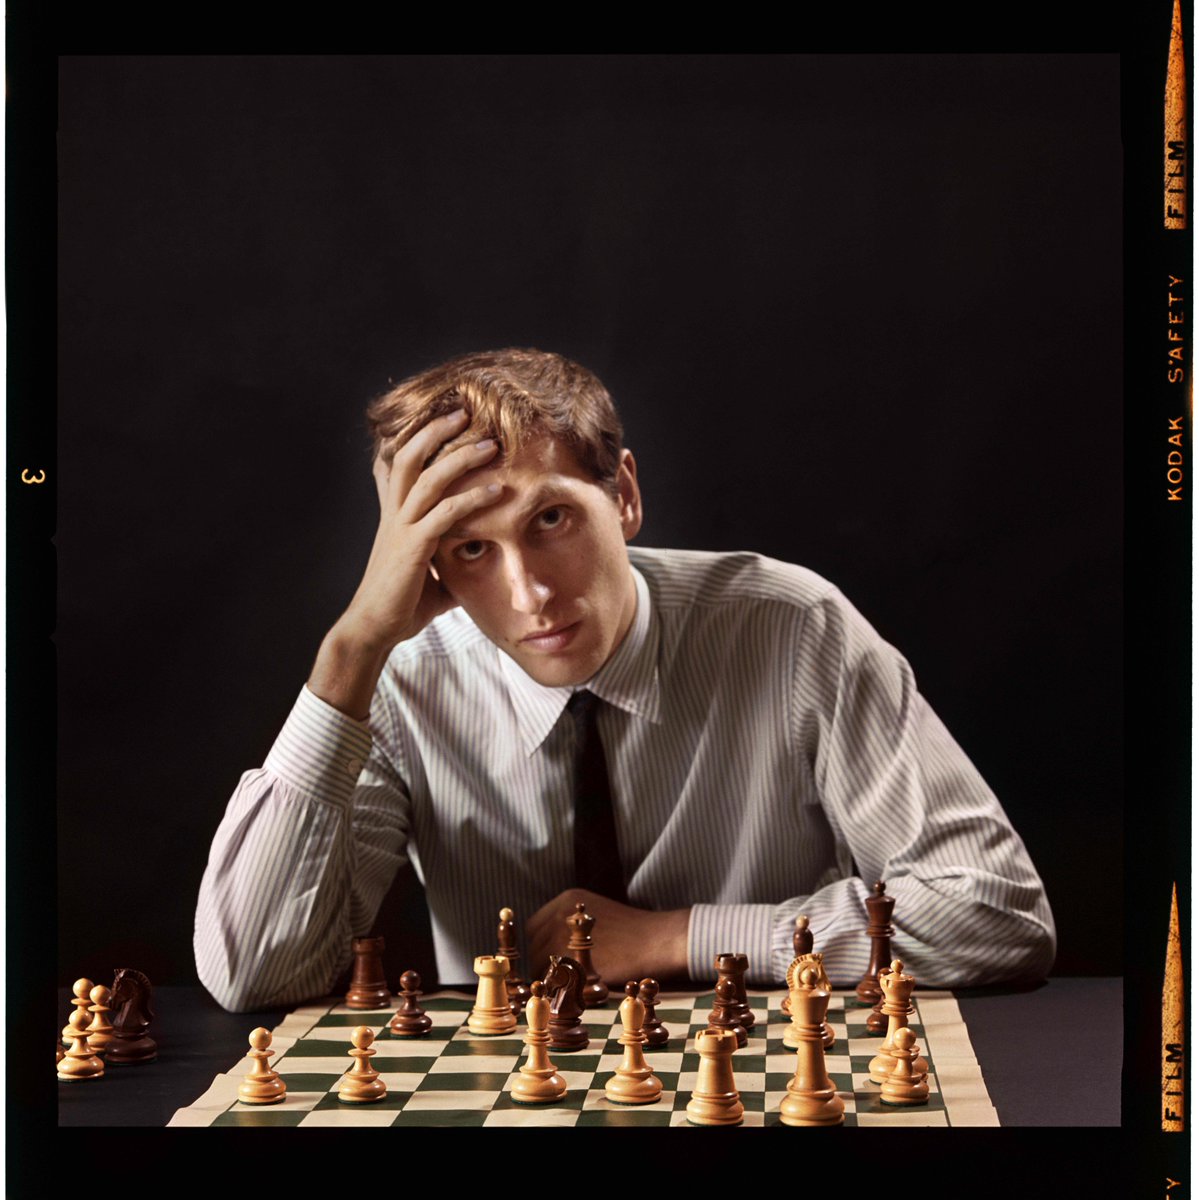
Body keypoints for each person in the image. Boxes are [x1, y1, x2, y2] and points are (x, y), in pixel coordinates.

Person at [194, 348, 1055, 1012]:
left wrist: (677, 939)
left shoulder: (794, 628)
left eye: (552, 518)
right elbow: (256, 976)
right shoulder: (397, 679)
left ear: (626, 495)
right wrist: (349, 653)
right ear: (424, 564)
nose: (530, 593)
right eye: (468, 549)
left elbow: (998, 918)